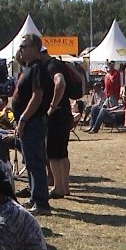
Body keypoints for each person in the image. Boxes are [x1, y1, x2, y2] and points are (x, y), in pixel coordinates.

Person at [13, 34, 51, 216]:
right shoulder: (27, 67)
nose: (21, 50)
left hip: (33, 121)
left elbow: (37, 96)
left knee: (35, 162)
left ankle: (42, 202)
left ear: (35, 48)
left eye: (24, 46)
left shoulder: (37, 68)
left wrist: (23, 118)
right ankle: (34, 196)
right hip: (27, 122)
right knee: (29, 161)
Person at [40, 47, 74, 199]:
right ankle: (65, 186)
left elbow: (60, 83)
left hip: (56, 115)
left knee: (53, 154)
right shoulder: (58, 63)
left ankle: (58, 188)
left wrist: (52, 107)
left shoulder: (51, 66)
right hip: (65, 113)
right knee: (62, 153)